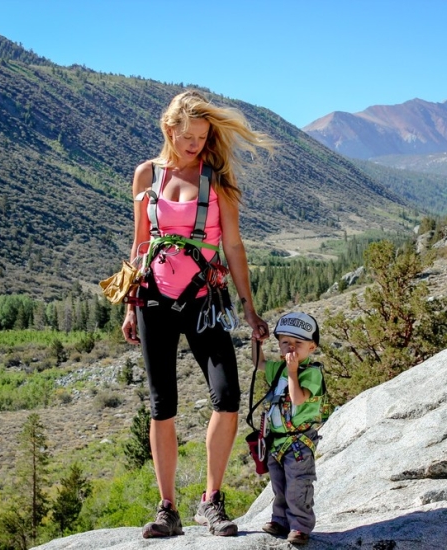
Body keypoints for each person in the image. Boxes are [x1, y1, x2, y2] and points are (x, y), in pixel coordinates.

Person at [121, 90, 272, 538]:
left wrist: (249, 307)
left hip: (205, 300)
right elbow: (140, 243)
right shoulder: (146, 175)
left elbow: (234, 246)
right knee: (162, 404)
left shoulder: (217, 180)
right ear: (169, 130)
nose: (196, 145)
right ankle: (167, 509)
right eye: (188, 136)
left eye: (203, 137)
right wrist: (129, 305)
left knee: (227, 397)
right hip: (153, 299)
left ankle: (211, 500)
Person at [253, 312, 325, 546]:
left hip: (299, 441)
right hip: (277, 440)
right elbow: (259, 363)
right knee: (279, 484)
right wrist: (257, 343)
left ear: (311, 347)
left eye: (298, 343)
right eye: (285, 342)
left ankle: (300, 525)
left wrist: (293, 372)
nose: (291, 347)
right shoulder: (278, 369)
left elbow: (298, 399)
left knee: (298, 484)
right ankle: (280, 519)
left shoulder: (311, 373)